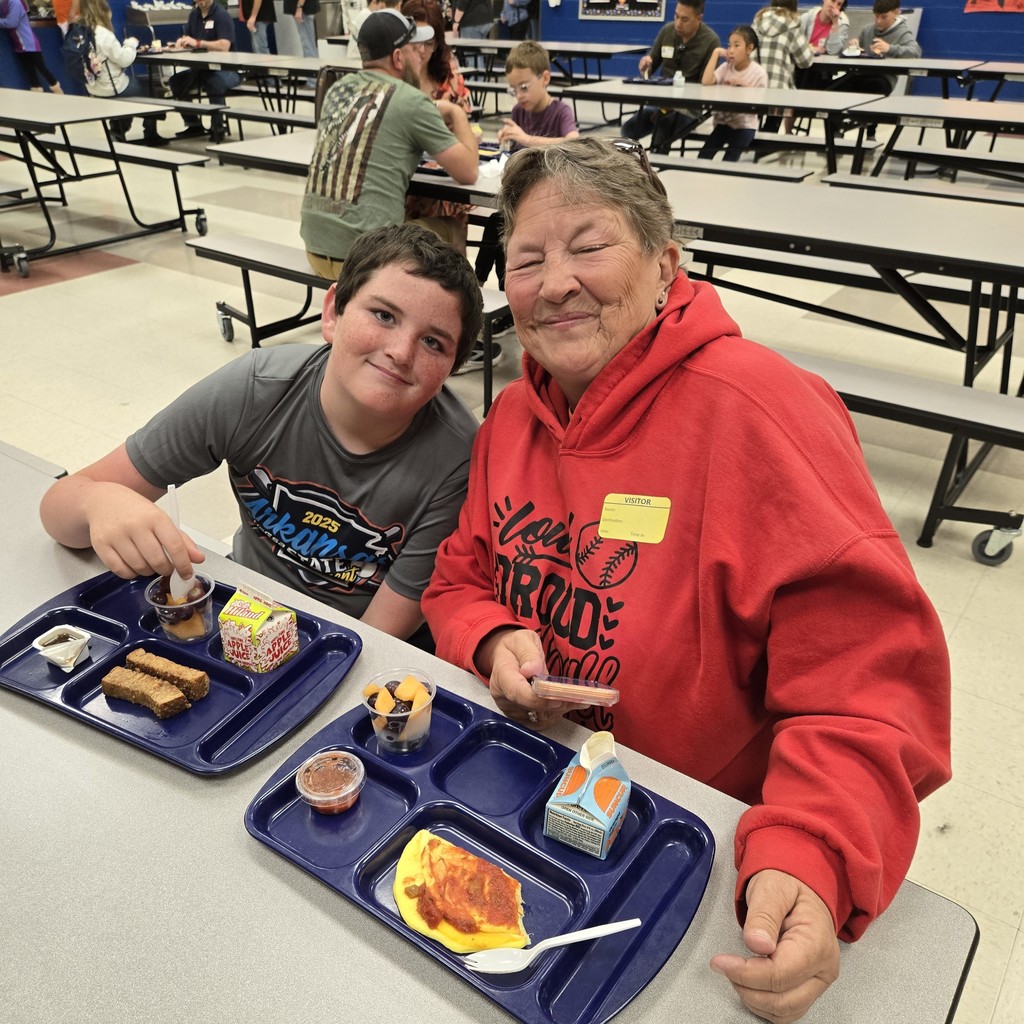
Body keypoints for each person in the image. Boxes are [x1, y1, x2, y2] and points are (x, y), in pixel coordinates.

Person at [422, 137, 951, 1023]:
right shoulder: (514, 413)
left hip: (692, 842)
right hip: (531, 793)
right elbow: (461, 574)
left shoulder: (761, 412)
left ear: (668, 263)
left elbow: (867, 694)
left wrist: (812, 849)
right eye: (526, 259)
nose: (554, 283)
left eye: (588, 246)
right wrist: (488, 633)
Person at [39, 224, 482, 648]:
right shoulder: (253, 391)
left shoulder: (457, 462)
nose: (401, 352)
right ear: (332, 313)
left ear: (451, 370)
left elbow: (376, 638)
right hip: (244, 606)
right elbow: (58, 511)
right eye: (383, 315)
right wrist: (98, 502)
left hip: (353, 643)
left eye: (433, 343)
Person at [300, 9, 478, 281]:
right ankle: (454, 320)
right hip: (366, 259)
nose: (420, 55)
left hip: (314, 248)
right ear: (398, 57)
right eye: (414, 48)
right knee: (452, 228)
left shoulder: (338, 88)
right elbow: (468, 172)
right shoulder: (411, 101)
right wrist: (456, 114)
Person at [474, 40, 578, 291]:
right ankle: (479, 290)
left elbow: (574, 143)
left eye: (524, 87)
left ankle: (509, 298)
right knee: (495, 227)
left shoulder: (560, 112)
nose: (519, 96)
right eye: (513, 90)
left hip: (553, 202)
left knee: (510, 235)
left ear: (544, 78)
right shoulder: (520, 111)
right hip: (523, 198)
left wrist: (526, 139)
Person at [401, 0, 474, 255]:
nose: (421, 50)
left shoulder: (449, 75)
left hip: (446, 175)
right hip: (405, 182)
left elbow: (466, 128)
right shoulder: (394, 75)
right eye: (414, 41)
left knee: (453, 246)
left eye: (428, 43)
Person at [621, 1, 719, 154]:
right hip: (660, 103)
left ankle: (653, 174)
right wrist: (646, 65)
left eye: (684, 19)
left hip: (688, 108)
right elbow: (651, 65)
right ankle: (631, 170)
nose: (678, 23)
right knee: (628, 129)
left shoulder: (711, 41)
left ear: (699, 18)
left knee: (663, 128)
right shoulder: (667, 31)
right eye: (676, 16)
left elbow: (705, 85)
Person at [76, 0, 169, 146]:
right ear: (103, 11)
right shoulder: (103, 34)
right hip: (113, 87)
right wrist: (130, 44)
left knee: (132, 88)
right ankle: (150, 133)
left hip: (93, 86)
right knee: (152, 87)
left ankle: (118, 131)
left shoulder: (78, 32)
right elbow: (124, 60)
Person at [828, 0, 921, 139]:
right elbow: (859, 50)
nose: (878, 21)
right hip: (860, 74)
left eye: (883, 17)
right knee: (833, 90)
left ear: (896, 13)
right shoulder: (868, 30)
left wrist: (890, 48)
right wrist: (855, 46)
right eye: (876, 16)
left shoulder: (902, 32)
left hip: (883, 78)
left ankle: (870, 132)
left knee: (874, 89)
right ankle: (835, 131)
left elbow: (916, 52)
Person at [167, 0, 240, 140]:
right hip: (201, 68)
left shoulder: (221, 15)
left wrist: (200, 43)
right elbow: (188, 38)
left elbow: (224, 46)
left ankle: (217, 126)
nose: (200, 2)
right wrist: (181, 43)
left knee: (214, 83)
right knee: (176, 82)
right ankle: (193, 124)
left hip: (227, 69)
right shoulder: (194, 15)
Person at [698, 26, 766, 162]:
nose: (731, 51)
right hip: (723, 124)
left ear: (749, 48)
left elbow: (761, 102)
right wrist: (715, 53)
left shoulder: (759, 73)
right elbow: (706, 81)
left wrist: (746, 87)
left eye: (737, 45)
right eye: (729, 46)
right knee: (703, 156)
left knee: (729, 159)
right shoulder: (725, 68)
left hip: (745, 126)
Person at [752, 0, 813, 133]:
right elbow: (805, 61)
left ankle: (752, 136)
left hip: (752, 84)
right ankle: (768, 135)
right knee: (786, 92)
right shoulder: (792, 25)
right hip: (778, 89)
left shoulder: (758, 21)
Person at [0, 0, 64, 92]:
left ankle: (57, 90)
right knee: (30, 71)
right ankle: (36, 91)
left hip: (29, 42)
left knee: (41, 68)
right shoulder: (3, 3)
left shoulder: (15, 2)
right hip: (18, 44)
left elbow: (12, 22)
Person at [795, 0, 848, 91]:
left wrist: (835, 24)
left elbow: (833, 52)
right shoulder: (806, 18)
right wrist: (811, 49)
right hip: (800, 66)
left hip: (822, 72)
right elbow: (795, 45)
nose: (834, 6)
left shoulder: (842, 24)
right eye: (833, 1)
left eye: (839, 4)